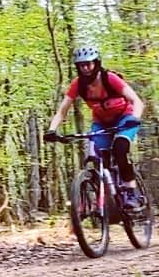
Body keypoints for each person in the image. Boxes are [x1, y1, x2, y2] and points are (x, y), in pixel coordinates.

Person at [45, 45, 147, 210]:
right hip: (101, 122)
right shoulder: (78, 85)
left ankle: (131, 192)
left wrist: (134, 119)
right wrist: (52, 130)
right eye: (81, 65)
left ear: (96, 63)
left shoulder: (110, 79)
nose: (85, 68)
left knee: (121, 147)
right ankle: (108, 200)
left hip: (125, 118)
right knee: (99, 157)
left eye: (89, 64)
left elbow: (137, 101)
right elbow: (62, 110)